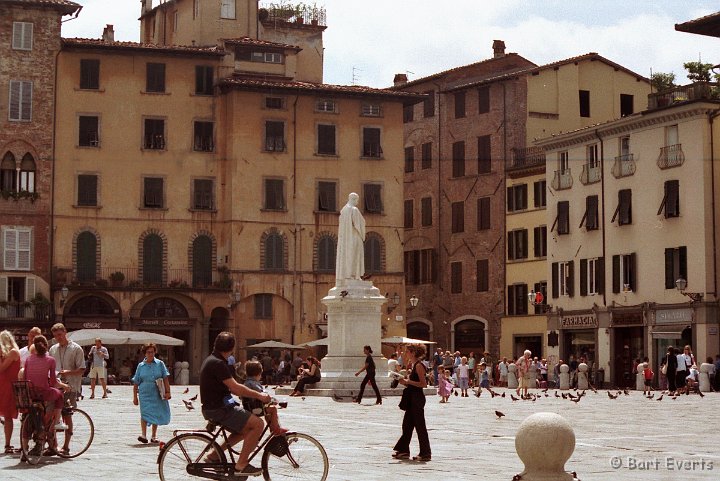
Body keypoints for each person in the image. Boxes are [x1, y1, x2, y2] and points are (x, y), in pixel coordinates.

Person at [200, 332, 270, 477]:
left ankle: (213, 456)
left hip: (215, 407)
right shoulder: (218, 363)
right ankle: (242, 464)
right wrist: (259, 395)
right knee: (257, 424)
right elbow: (236, 388)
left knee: (245, 430)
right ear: (232, 348)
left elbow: (234, 386)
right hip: (218, 408)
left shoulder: (214, 360)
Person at [25, 335, 70, 453]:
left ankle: (43, 435)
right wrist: (64, 386)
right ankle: (57, 422)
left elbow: (25, 378)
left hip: (31, 393)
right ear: (46, 345)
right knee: (59, 394)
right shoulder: (50, 360)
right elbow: (54, 382)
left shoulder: (29, 359)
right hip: (44, 393)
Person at [48, 322, 85, 455]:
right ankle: (54, 446)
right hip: (56, 387)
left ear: (65, 332)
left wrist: (68, 372)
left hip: (70, 387)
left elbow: (81, 369)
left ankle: (66, 446)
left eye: (60, 334)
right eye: (56, 336)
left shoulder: (76, 349)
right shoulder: (52, 349)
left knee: (66, 416)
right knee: (53, 416)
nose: (58, 338)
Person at [392, 344, 431, 461]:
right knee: (407, 425)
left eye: (407, 352)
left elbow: (423, 384)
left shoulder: (419, 366)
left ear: (413, 353)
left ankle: (425, 453)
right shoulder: (414, 365)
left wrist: (408, 381)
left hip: (417, 398)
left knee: (420, 426)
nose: (405, 354)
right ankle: (403, 450)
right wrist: (404, 382)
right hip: (412, 398)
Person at [132, 343, 171, 443]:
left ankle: (154, 436)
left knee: (156, 412)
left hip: (157, 391)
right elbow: (136, 382)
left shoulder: (160, 364)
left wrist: (168, 391)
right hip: (144, 392)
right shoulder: (141, 366)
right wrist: (135, 397)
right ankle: (143, 435)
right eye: (148, 352)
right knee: (144, 412)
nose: (150, 354)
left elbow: (165, 378)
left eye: (152, 352)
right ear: (145, 353)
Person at [242, 361, 286, 435]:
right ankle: (276, 429)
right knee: (273, 409)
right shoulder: (253, 384)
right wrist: (273, 400)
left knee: (267, 412)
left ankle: (273, 429)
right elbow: (262, 395)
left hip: (251, 408)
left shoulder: (247, 382)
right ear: (258, 373)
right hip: (254, 409)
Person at [335, 192, 366, 283]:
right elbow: (358, 224)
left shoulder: (343, 210)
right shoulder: (354, 210)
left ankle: (347, 275)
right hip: (355, 237)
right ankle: (355, 276)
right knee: (355, 255)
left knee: (347, 256)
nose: (357, 202)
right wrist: (362, 234)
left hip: (345, 240)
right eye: (357, 200)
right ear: (354, 199)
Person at [0, 330, 21, 453]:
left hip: (7, 386)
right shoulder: (9, 353)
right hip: (3, 385)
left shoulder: (13, 352)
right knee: (7, 416)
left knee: (8, 416)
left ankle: (7, 444)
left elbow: (1, 368)